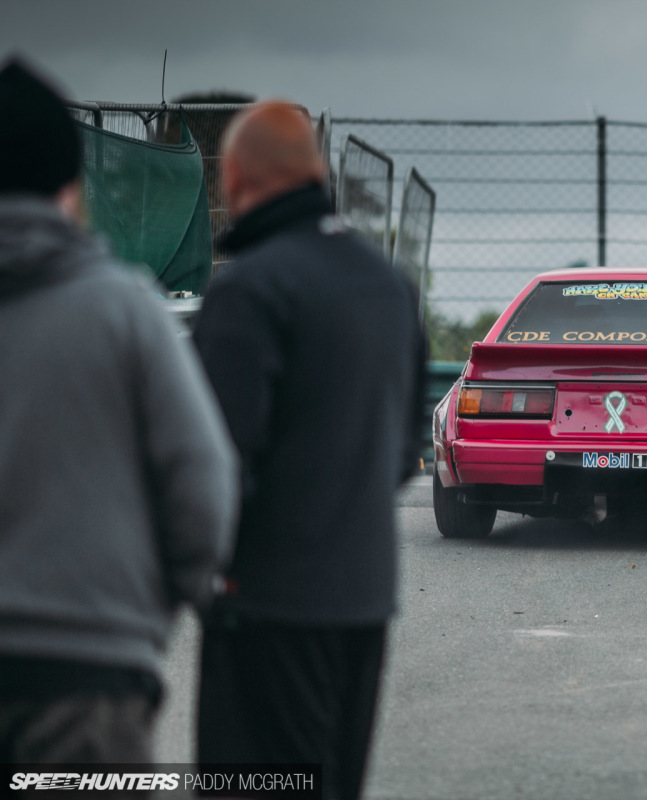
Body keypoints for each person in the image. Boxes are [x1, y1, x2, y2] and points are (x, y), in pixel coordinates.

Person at [0, 56, 238, 763]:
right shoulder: (126, 310)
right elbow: (203, 487)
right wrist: (149, 608)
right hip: (90, 679)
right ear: (73, 189)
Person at [191, 101, 427, 800]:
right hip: (363, 604)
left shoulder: (249, 287)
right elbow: (401, 451)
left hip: (268, 610)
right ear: (315, 174)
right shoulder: (389, 287)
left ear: (232, 176)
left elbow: (214, 468)